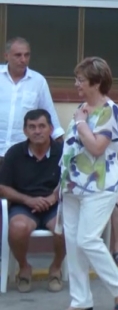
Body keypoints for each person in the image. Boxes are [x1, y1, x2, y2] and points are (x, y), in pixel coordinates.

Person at [56, 57, 118, 310]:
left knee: (88, 239)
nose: (76, 84)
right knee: (74, 244)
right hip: (73, 185)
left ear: (97, 82)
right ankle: (80, 300)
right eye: (76, 79)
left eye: (80, 79)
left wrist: (79, 123)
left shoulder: (109, 111)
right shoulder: (83, 108)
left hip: (100, 185)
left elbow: (96, 147)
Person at [0, 109, 65, 293]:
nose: (37, 131)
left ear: (51, 129)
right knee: (18, 228)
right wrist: (28, 200)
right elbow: (2, 187)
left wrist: (53, 197)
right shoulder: (14, 153)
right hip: (24, 206)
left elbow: (72, 180)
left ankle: (56, 268)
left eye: (42, 126)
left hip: (54, 205)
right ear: (25, 130)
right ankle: (24, 268)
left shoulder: (62, 152)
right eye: (32, 127)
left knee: (66, 227)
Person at [1, 37, 64, 166]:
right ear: (6, 56)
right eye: (18, 55)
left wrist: (62, 149)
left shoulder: (38, 81)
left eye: (26, 55)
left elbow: (50, 117)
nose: (23, 59)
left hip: (22, 155)